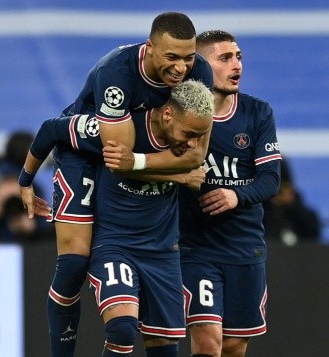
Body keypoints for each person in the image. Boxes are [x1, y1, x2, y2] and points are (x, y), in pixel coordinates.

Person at [22, 11, 213, 356]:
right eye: (172, 57)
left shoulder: (199, 73)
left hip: (133, 160)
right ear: (150, 48)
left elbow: (196, 154)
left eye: (188, 57)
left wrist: (174, 165)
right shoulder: (117, 74)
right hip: (89, 149)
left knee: (157, 337)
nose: (182, 68)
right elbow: (119, 161)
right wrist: (26, 180)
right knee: (74, 263)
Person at [178, 30, 282, 357]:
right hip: (197, 247)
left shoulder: (257, 113)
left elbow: (270, 180)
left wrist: (236, 196)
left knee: (234, 346)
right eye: (224, 58)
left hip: (244, 247)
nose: (236, 65)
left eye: (238, 57)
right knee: (209, 342)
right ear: (200, 66)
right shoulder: (178, 110)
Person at [263, 158, 322, 245]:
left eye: (282, 188)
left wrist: (292, 204)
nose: (279, 193)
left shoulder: (305, 214)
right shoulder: (259, 213)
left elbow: (313, 238)